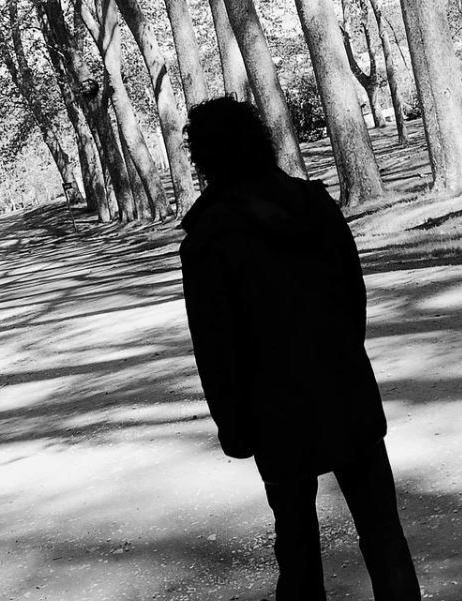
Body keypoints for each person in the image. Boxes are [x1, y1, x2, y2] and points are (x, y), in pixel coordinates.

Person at [178, 97, 421, 601]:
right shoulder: (314, 205)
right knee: (383, 535)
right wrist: (342, 355)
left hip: (274, 413)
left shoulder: (208, 238)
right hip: (345, 389)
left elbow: (215, 347)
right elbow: (354, 297)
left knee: (297, 546)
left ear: (202, 158)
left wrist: (233, 426)